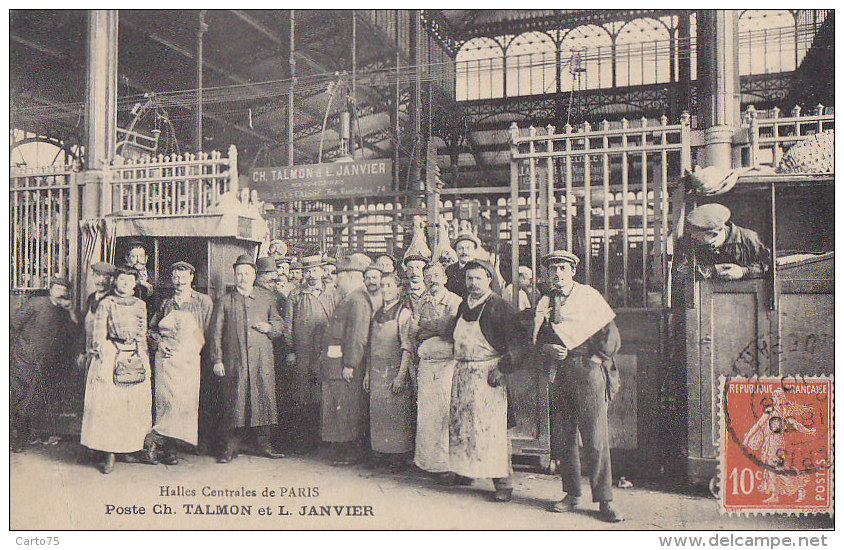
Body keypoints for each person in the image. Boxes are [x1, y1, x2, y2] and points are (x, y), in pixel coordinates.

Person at [533, 250, 623, 523]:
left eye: (562, 268)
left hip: (587, 371)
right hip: (558, 373)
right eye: (552, 270)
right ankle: (571, 494)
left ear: (572, 271)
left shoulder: (588, 297)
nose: (557, 274)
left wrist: (593, 360)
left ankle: (604, 499)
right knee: (564, 437)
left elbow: (611, 336)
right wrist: (548, 348)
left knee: (595, 437)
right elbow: (537, 340)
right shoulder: (545, 301)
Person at [447, 259, 527, 502]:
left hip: (488, 376)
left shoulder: (499, 307)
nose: (473, 283)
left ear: (489, 279)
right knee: (464, 427)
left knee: (492, 432)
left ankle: (503, 483)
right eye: (469, 279)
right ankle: (466, 471)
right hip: (463, 374)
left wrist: (503, 369)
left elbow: (519, 343)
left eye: (478, 278)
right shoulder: (464, 305)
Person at [209, 254, 286, 463]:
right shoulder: (225, 301)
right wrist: (217, 360)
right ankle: (230, 447)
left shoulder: (266, 298)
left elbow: (279, 325)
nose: (243, 277)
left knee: (264, 399)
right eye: (239, 273)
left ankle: (264, 444)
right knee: (235, 401)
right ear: (234, 275)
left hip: (262, 360)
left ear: (254, 275)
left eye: (247, 273)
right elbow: (215, 333)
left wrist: (270, 327)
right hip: (236, 361)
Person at [80, 266, 152, 474]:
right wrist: (100, 352)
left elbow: (142, 332)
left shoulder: (140, 305)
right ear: (115, 282)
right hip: (111, 353)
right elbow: (98, 332)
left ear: (134, 284)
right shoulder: (106, 303)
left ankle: (128, 448)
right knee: (109, 405)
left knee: (131, 406)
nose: (125, 284)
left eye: (129, 281)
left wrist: (143, 356)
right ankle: (109, 453)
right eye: (122, 280)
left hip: (133, 353)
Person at [146, 262, 213, 465]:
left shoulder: (202, 302)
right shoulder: (165, 304)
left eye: (184, 277)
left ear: (192, 277)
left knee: (185, 403)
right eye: (175, 277)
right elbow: (151, 330)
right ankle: (164, 446)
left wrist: (195, 349)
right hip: (166, 361)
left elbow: (207, 332)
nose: (179, 281)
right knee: (168, 404)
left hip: (190, 362)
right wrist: (159, 344)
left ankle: (171, 444)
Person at [10, 277, 79, 453]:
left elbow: (73, 334)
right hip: (23, 358)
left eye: (63, 289)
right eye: (56, 288)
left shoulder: (63, 312)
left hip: (45, 363)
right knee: (16, 394)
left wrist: (71, 312)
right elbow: (13, 323)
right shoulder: (35, 304)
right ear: (50, 289)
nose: (59, 292)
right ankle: (13, 434)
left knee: (31, 400)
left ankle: (22, 437)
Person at [318, 253, 373, 466]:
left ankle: (352, 451)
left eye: (338, 276)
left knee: (348, 407)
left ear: (349, 277)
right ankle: (345, 449)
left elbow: (358, 336)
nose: (336, 280)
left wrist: (350, 364)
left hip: (345, 365)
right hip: (337, 363)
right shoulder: (350, 299)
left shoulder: (358, 300)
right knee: (341, 406)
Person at [412, 261, 462, 480]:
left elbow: (450, 329)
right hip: (426, 365)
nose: (432, 280)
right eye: (428, 276)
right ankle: (428, 463)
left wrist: (427, 326)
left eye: (436, 275)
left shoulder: (454, 301)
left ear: (445, 278)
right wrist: (431, 327)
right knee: (427, 415)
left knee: (444, 414)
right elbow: (414, 332)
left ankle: (447, 466)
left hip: (446, 365)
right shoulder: (421, 302)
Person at [363, 272, 414, 470]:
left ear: (399, 290)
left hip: (394, 370)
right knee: (379, 414)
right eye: (383, 285)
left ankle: (398, 457)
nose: (385, 289)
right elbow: (370, 346)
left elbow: (407, 347)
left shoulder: (404, 314)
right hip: (376, 371)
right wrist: (367, 373)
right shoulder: (376, 313)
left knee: (396, 416)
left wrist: (401, 376)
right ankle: (381, 453)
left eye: (390, 286)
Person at [282, 255, 332, 454]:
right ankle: (302, 441)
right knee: (302, 395)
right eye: (308, 271)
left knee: (323, 394)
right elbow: (287, 326)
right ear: (304, 273)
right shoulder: (295, 295)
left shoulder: (331, 294)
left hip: (325, 353)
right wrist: (291, 350)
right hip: (302, 353)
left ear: (322, 271)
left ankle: (323, 442)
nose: (312, 275)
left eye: (315, 270)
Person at [674, 203, 772, 281]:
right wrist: (713, 270)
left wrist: (744, 271)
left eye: (696, 234)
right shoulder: (688, 241)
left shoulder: (748, 238)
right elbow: (679, 272)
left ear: (713, 234)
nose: (691, 236)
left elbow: (769, 266)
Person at [445, 233, 502, 297]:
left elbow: (496, 294)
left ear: (474, 250)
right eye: (460, 248)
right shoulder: (450, 270)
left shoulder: (486, 267)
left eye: (468, 248)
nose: (464, 252)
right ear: (455, 251)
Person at [125, 241, 155, 305]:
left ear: (146, 258)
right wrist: (140, 282)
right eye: (134, 256)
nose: (138, 260)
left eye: (141, 256)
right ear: (127, 258)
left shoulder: (154, 275)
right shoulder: (124, 274)